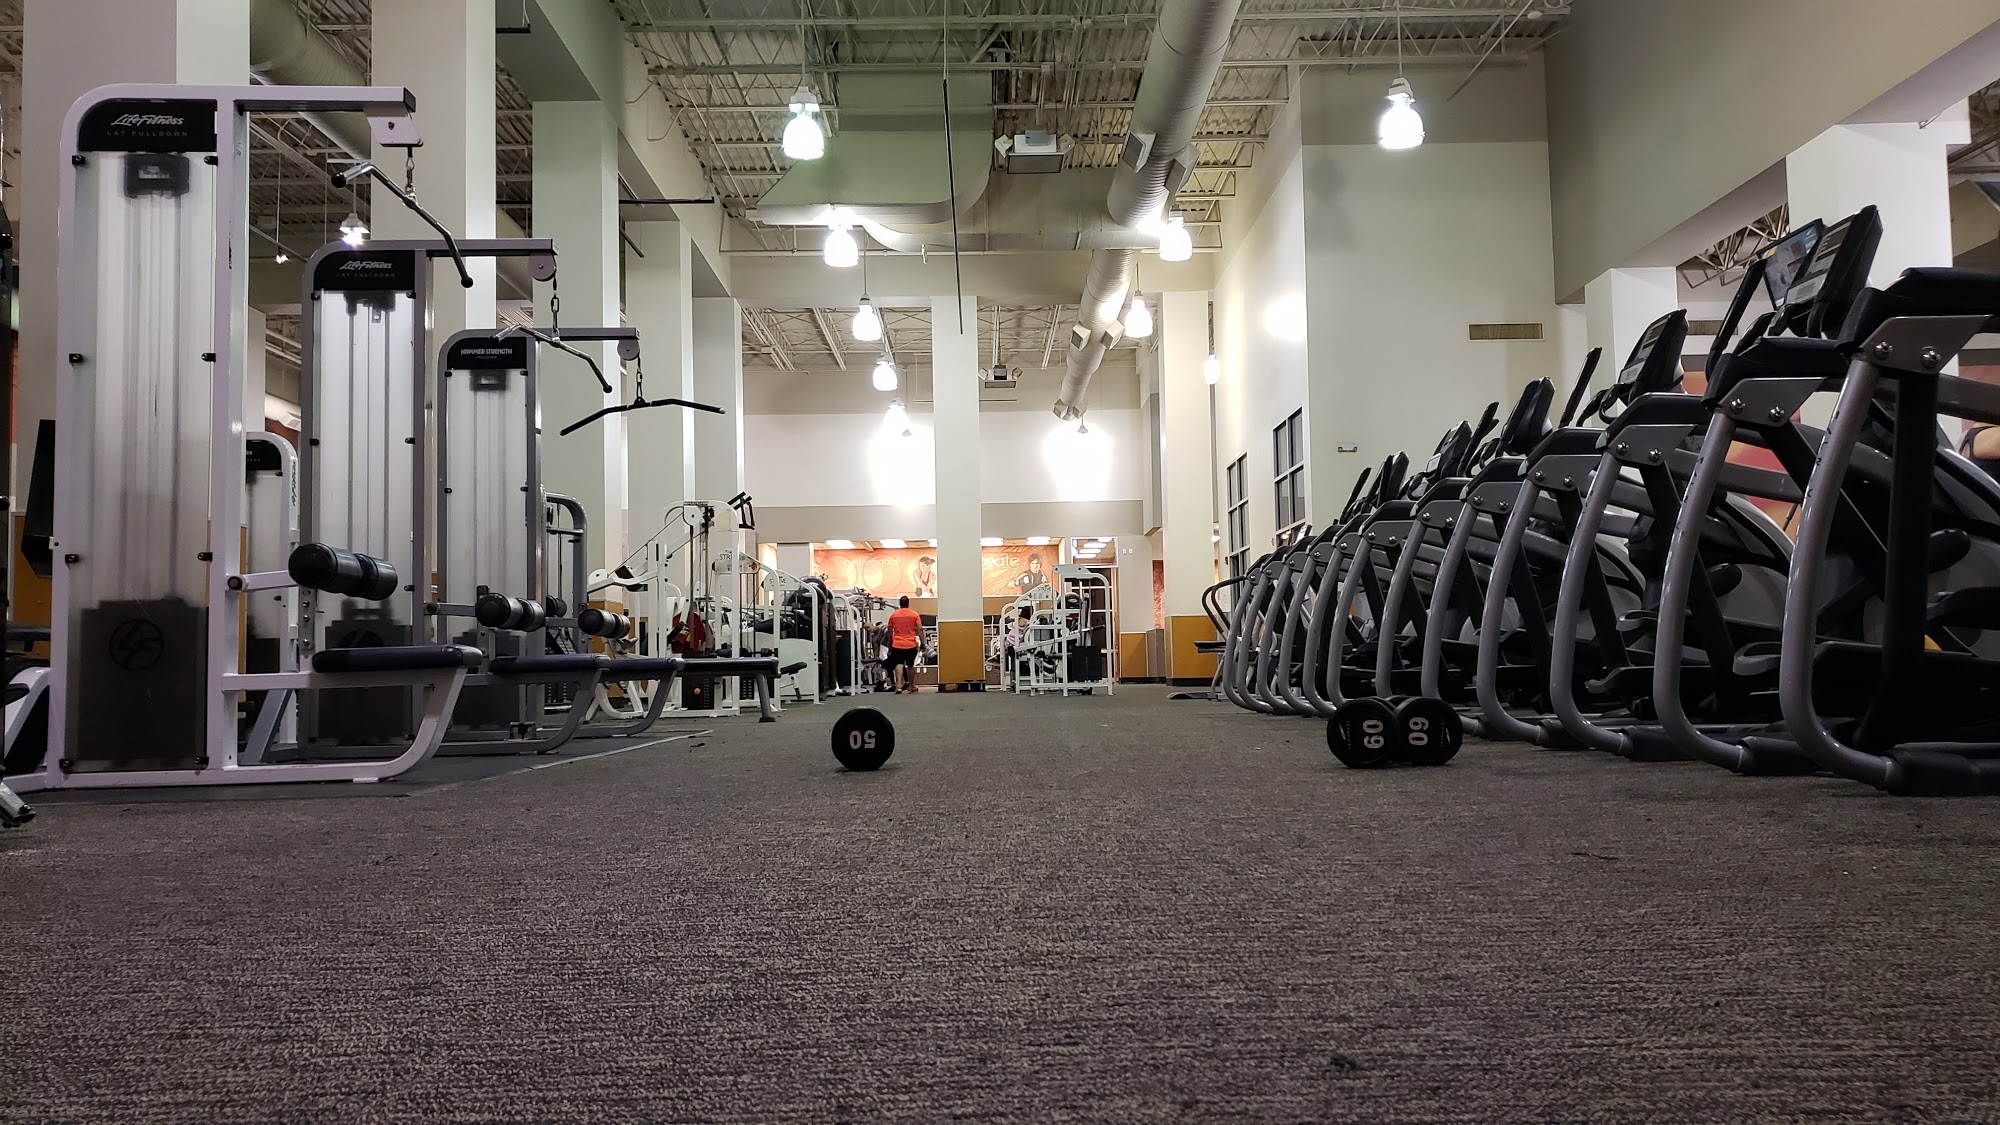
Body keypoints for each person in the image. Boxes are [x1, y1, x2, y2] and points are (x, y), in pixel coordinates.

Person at [886, 595, 923, 694]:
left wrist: (890, 643)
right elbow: (920, 629)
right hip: (911, 644)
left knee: (899, 664)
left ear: (900, 604)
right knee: (910, 665)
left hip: (897, 644)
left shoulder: (893, 615)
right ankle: (910, 686)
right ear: (908, 603)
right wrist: (923, 643)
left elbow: (889, 630)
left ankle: (898, 686)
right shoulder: (914, 614)